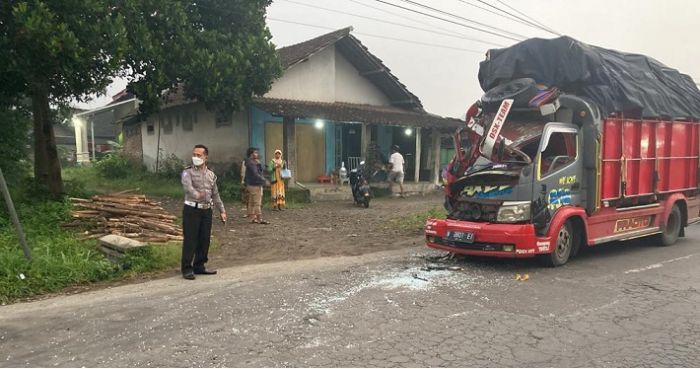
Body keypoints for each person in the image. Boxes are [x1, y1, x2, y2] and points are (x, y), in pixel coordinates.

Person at [180, 144, 227, 280]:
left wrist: (222, 210)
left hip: (207, 211)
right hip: (191, 210)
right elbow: (187, 186)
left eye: (199, 155)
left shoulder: (211, 174)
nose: (196, 157)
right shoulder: (187, 172)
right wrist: (196, 194)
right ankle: (187, 268)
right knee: (190, 239)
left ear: (206, 157)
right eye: (194, 154)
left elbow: (215, 194)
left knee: (204, 239)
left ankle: (199, 266)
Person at [244, 147, 269, 224]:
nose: (257, 154)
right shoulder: (251, 163)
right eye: (255, 153)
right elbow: (256, 174)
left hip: (251, 184)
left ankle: (252, 218)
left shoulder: (251, 162)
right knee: (257, 202)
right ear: (251, 154)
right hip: (255, 184)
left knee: (251, 202)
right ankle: (259, 219)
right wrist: (264, 180)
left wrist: (259, 164)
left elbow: (259, 171)